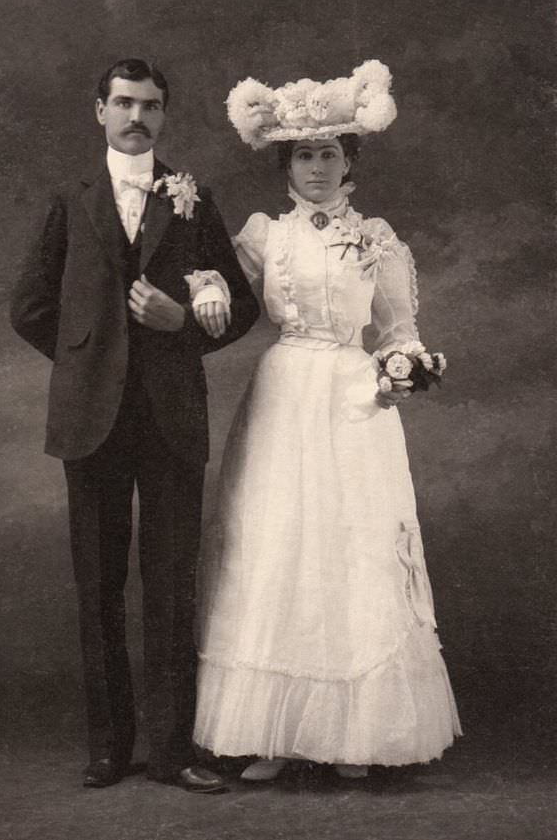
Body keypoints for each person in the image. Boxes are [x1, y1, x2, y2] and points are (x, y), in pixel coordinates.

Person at [193, 62, 462, 781]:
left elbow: (399, 326)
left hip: (352, 395)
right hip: (285, 393)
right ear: (288, 163)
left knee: (351, 543)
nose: (317, 167)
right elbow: (216, 278)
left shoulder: (376, 238)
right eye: (305, 155)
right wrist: (209, 284)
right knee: (278, 543)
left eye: (329, 154)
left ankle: (357, 734)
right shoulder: (264, 235)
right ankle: (277, 730)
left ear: (350, 162)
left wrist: (405, 366)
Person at [10, 58, 259, 791]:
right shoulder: (70, 198)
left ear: (164, 115)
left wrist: (183, 323)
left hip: (171, 416)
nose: (136, 116)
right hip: (91, 418)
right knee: (98, 584)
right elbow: (28, 307)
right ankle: (109, 746)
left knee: (172, 582)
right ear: (99, 112)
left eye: (150, 105)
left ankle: (174, 749)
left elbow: (239, 306)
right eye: (122, 103)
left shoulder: (193, 198)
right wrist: (89, 353)